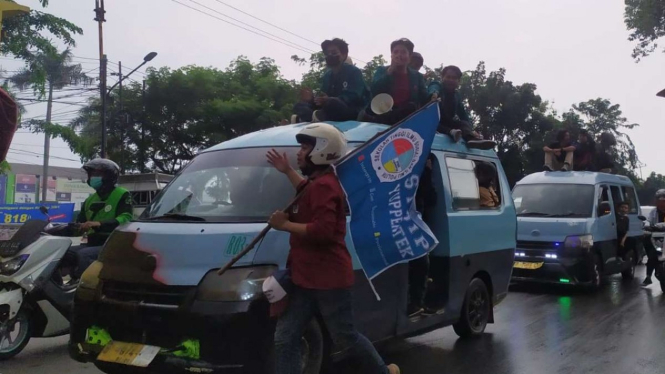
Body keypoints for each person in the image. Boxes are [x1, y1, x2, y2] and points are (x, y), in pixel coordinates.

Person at [265, 123, 399, 374]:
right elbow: (307, 190)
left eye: (305, 147)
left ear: (322, 150)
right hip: (304, 278)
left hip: (328, 279)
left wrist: (285, 225)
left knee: (345, 337)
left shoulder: (326, 186)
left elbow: (323, 232)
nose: (299, 153)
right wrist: (287, 171)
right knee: (285, 337)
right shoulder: (318, 183)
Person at [68, 158, 133, 279]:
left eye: (97, 174)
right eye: (91, 174)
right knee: (63, 252)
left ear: (109, 176)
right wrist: (75, 227)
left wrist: (99, 224)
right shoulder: (90, 200)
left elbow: (126, 218)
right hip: (92, 243)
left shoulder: (122, 194)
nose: (92, 178)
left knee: (84, 255)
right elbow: (80, 222)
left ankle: (85, 286)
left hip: (111, 244)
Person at [291, 38, 368, 123]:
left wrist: (330, 99)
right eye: (327, 53)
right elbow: (323, 96)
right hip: (328, 108)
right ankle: (311, 117)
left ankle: (312, 118)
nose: (330, 55)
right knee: (299, 105)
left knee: (333, 103)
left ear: (344, 55)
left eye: (334, 53)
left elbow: (354, 96)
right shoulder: (327, 75)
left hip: (350, 111)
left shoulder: (354, 72)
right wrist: (312, 99)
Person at [427, 65, 495, 149]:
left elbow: (463, 115)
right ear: (442, 78)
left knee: (463, 123)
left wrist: (471, 130)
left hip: (448, 123)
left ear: (458, 81)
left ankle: (471, 139)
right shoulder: (438, 86)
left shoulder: (457, 96)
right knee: (432, 121)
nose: (450, 80)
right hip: (433, 121)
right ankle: (451, 132)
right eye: (448, 77)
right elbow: (434, 87)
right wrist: (434, 94)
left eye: (454, 78)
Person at [364, 38, 429, 125]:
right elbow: (374, 90)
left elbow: (424, 99)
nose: (399, 55)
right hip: (381, 116)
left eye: (403, 52)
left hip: (406, 119)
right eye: (395, 52)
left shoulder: (417, 76)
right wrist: (389, 72)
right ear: (391, 56)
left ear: (409, 57)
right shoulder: (382, 70)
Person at [408, 154, 437, 317]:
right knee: (420, 264)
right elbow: (431, 198)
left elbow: (431, 199)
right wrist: (426, 173)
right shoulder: (418, 175)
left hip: (416, 225)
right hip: (414, 225)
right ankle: (415, 303)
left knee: (420, 265)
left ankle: (416, 302)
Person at [643, 189, 665, 285]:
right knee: (652, 255)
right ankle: (648, 277)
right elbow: (648, 220)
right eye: (659, 200)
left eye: (663, 200)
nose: (661, 203)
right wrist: (646, 225)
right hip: (657, 237)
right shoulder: (653, 212)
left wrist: (660, 225)